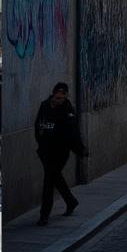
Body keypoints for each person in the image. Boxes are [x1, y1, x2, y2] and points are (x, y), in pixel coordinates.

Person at [35, 83, 87, 225]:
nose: (60, 101)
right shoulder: (44, 105)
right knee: (55, 178)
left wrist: (80, 149)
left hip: (60, 151)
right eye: (58, 98)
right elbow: (37, 125)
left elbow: (73, 132)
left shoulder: (67, 109)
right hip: (45, 151)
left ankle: (44, 215)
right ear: (53, 94)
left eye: (63, 98)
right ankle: (71, 201)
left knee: (49, 181)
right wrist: (40, 144)